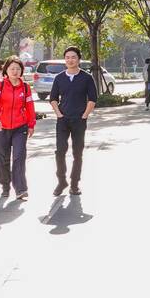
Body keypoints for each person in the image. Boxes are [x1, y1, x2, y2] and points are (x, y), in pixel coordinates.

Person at [48, 46, 97, 197]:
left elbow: (93, 99)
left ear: (78, 60)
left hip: (79, 120)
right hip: (63, 120)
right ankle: (61, 181)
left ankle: (74, 184)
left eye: (73, 57)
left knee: (77, 152)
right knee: (60, 151)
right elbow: (53, 98)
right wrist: (59, 114)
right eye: (67, 57)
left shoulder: (86, 78)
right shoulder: (59, 78)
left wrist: (84, 115)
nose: (70, 60)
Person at [0, 57, 35, 200]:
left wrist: (31, 124)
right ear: (6, 71)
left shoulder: (26, 87)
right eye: (12, 69)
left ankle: (21, 189)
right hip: (1, 127)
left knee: (19, 157)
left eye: (18, 69)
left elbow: (29, 106)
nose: (15, 71)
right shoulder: (0, 85)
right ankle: (5, 185)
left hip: (20, 127)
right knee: (2, 159)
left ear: (21, 70)